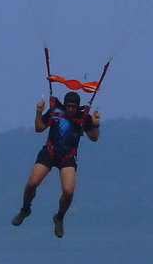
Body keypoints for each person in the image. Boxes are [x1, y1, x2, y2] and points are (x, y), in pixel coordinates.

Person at [11, 91, 100, 238]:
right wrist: (39, 111)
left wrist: (96, 123)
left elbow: (94, 137)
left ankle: (59, 217)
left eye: (74, 107)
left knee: (68, 191)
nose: (71, 109)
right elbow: (39, 128)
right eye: (69, 106)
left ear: (78, 107)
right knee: (32, 182)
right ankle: (25, 209)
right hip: (50, 152)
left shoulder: (83, 117)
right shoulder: (55, 112)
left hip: (68, 157)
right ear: (65, 105)